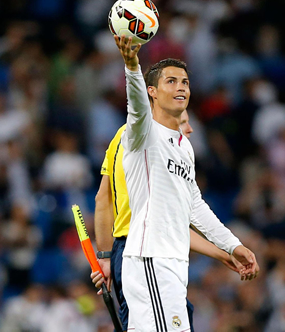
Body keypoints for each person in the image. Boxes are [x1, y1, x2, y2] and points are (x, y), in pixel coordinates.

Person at [95, 35, 259, 332]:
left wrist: (233, 245)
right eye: (171, 81)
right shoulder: (140, 133)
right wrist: (131, 64)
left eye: (184, 82)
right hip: (149, 260)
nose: (181, 86)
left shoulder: (184, 148)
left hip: (172, 262)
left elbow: (194, 206)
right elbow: (136, 105)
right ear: (152, 93)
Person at [91, 110, 246, 330]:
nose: (190, 129)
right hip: (145, 255)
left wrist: (106, 257)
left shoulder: (123, 137)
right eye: (183, 122)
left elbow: (102, 199)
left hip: (127, 255)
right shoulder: (152, 151)